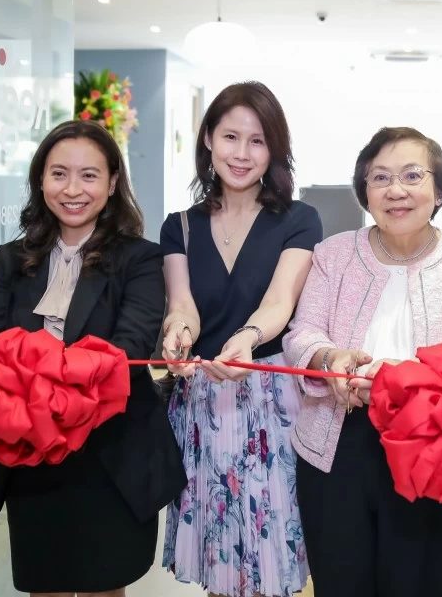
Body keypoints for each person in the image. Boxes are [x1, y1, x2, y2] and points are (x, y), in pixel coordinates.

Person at [283, 126, 442, 597]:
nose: (396, 190)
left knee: (418, 581)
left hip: (429, 447)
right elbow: (303, 333)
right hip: (334, 444)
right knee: (341, 582)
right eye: (380, 178)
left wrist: (394, 379)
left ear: (439, 190)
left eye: (412, 176)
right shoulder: (334, 254)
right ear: (364, 191)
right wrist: (328, 356)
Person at [0, 120, 186, 597]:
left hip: (110, 454)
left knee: (103, 586)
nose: (73, 189)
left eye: (89, 175)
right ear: (40, 179)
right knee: (45, 586)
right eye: (59, 174)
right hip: (33, 455)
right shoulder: (9, 259)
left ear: (113, 182)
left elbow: (126, 350)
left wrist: (32, 369)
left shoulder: (140, 259)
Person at [159, 82, 322, 597]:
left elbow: (279, 303)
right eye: (231, 136)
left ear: (274, 149)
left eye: (258, 141)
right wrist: (178, 336)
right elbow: (181, 306)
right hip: (204, 400)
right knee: (221, 558)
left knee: (271, 558)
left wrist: (247, 338)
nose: (242, 153)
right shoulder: (180, 226)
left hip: (272, 399)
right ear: (208, 138)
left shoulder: (299, 220)